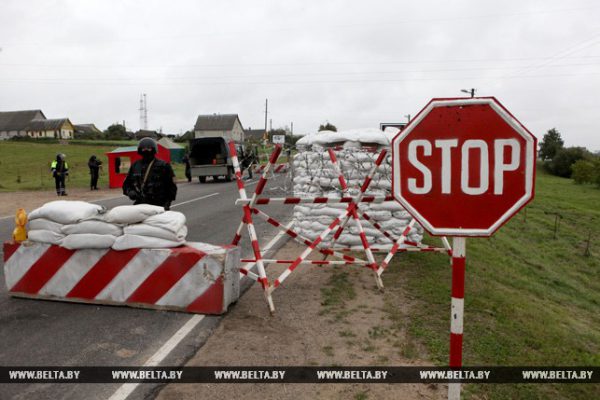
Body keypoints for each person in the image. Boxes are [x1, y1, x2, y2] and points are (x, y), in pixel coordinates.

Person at [122, 138, 177, 210]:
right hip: (141, 203)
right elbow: (126, 184)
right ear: (140, 150)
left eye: (149, 148)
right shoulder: (135, 165)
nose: (146, 150)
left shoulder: (163, 165)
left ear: (154, 149)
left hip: (159, 204)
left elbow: (171, 186)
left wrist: (167, 203)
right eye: (143, 148)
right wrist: (130, 192)